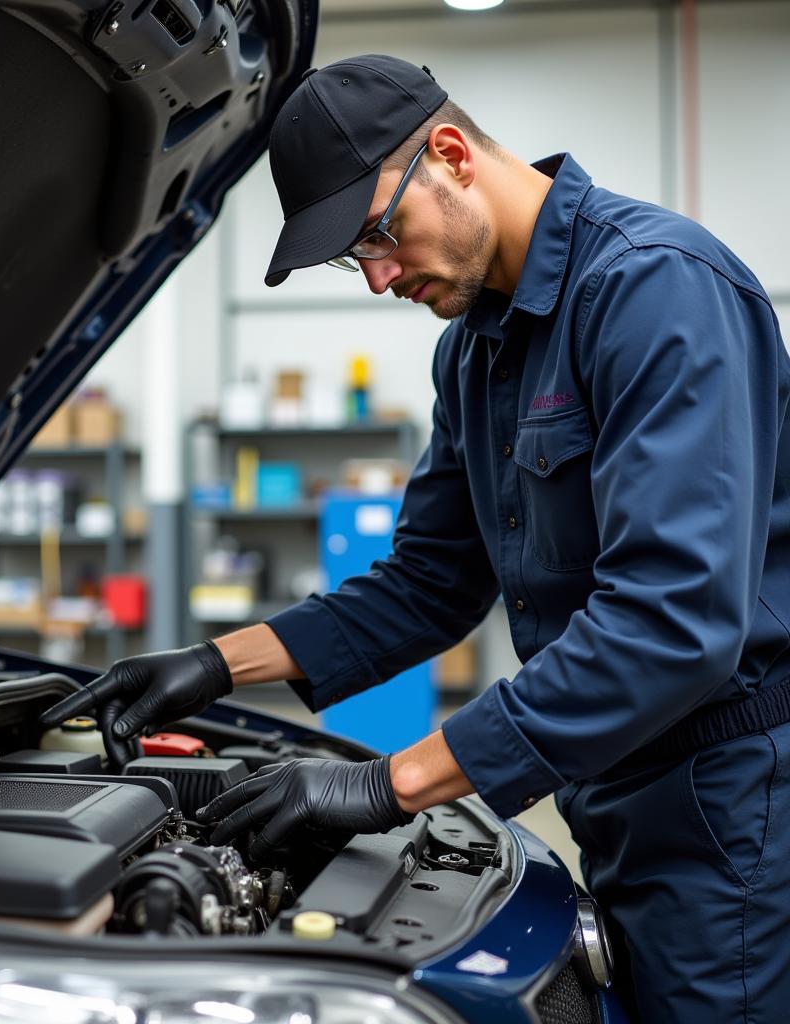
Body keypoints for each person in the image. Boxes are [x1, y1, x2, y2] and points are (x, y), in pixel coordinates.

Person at [42, 55, 790, 1021]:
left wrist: (391, 783)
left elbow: (671, 624)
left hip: (729, 809)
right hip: (608, 790)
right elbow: (430, 582)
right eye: (360, 258)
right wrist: (211, 664)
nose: (381, 277)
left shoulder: (656, 292)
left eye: (379, 235)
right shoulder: (474, 354)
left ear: (450, 154)